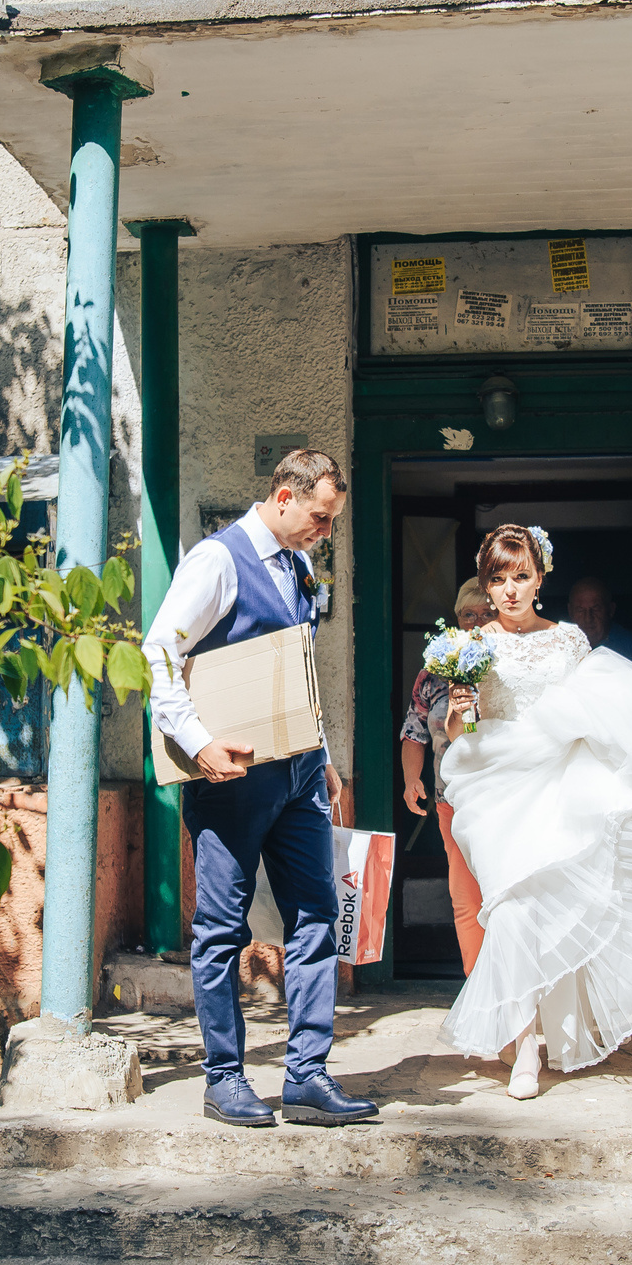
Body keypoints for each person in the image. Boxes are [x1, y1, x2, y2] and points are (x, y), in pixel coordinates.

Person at [439, 524, 632, 1098]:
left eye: (521, 577)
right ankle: (523, 1046)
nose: (510, 591)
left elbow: (602, 706)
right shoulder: (471, 645)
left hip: (562, 783)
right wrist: (459, 709)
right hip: (494, 789)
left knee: (555, 905)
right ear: (486, 586)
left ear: (540, 579)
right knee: (510, 907)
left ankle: (541, 1039)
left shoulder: (570, 640)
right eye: (499, 579)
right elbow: (457, 730)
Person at [143, 448, 381, 1130]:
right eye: (319, 516)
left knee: (316, 916)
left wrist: (326, 755)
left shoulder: (299, 564)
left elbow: (298, 665)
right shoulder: (217, 560)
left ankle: (306, 1077)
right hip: (233, 779)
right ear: (284, 497)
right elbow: (161, 649)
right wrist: (197, 741)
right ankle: (224, 1079)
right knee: (222, 929)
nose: (325, 531)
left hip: (301, 773)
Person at [399, 578, 491, 975]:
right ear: (457, 619)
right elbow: (414, 730)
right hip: (450, 798)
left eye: (488, 614)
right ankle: (478, 984)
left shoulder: (508, 666)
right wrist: (410, 779)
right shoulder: (434, 674)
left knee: (503, 892)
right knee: (464, 894)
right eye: (470, 615)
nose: (478, 623)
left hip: (504, 795)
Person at [564, 574, 632, 668]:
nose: (588, 618)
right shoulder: (559, 646)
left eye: (596, 608)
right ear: (570, 611)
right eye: (580, 610)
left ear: (611, 610)